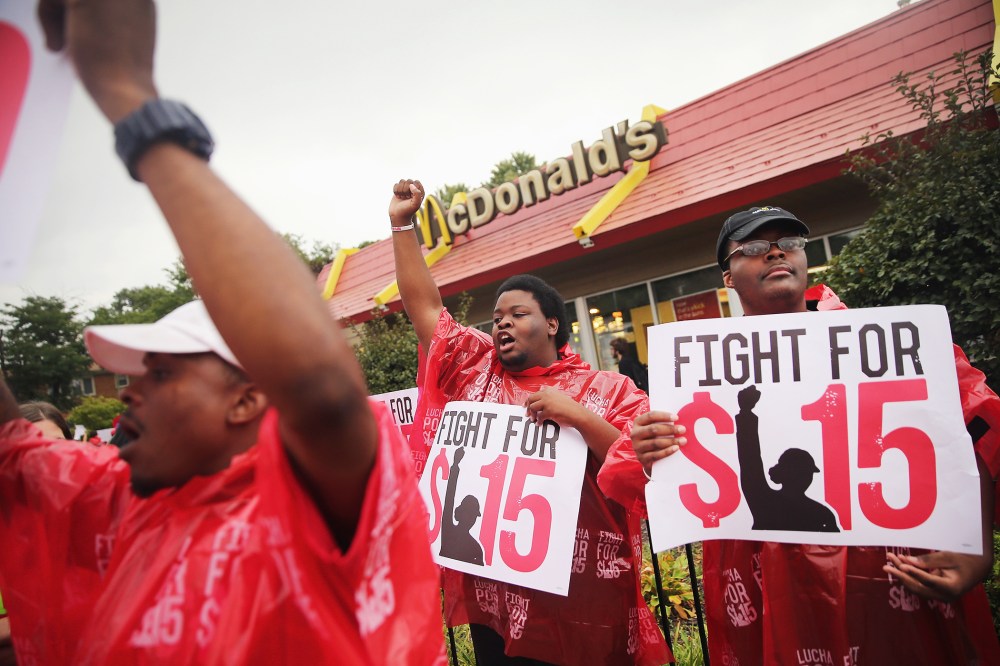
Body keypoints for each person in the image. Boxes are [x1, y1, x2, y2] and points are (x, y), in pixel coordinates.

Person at [0, 1, 444, 662]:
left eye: (163, 372)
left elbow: (321, 389)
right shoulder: (129, 500)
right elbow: (13, 448)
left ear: (247, 398)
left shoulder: (314, 501)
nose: (127, 394)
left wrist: (130, 96)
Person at [600, 205, 1000, 664]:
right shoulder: (701, 373)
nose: (775, 254)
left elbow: (977, 425)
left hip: (894, 590)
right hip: (765, 595)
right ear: (727, 276)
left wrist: (975, 547)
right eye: (753, 248)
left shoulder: (888, 344)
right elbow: (626, 474)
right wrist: (649, 448)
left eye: (788, 243)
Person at [390, 179, 671, 665]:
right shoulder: (474, 369)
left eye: (518, 313)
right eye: (496, 317)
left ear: (553, 324)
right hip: (492, 592)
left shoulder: (609, 389)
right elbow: (427, 309)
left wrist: (579, 418)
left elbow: (644, 470)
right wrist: (402, 225)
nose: (501, 323)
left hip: (579, 598)